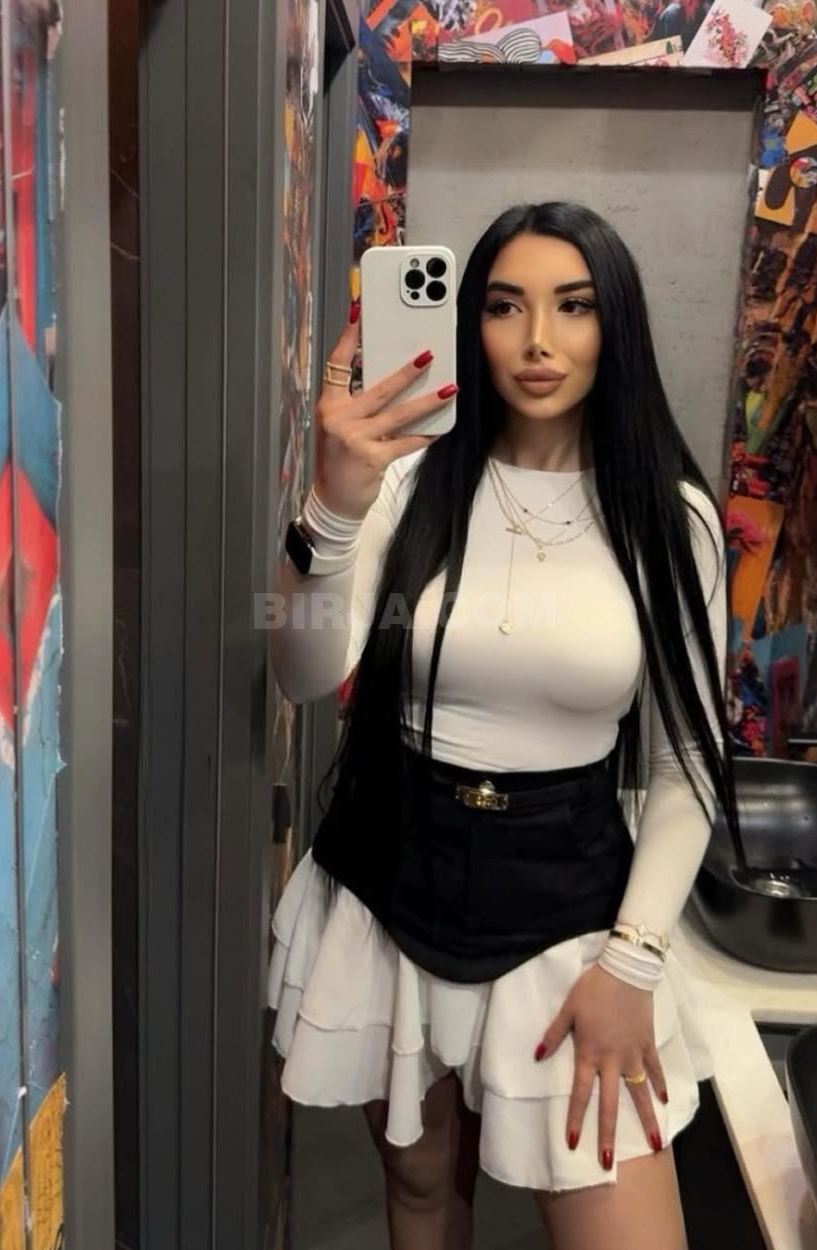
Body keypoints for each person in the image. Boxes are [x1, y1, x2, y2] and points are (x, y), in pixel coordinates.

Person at [266, 201, 739, 1250]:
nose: (537, 339)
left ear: (615, 326)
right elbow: (302, 673)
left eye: (573, 306)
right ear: (467, 326)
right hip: (392, 884)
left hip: (571, 911)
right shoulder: (406, 485)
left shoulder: (670, 520)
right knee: (419, 1190)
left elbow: (687, 760)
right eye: (502, 306)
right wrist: (332, 507)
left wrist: (632, 963)